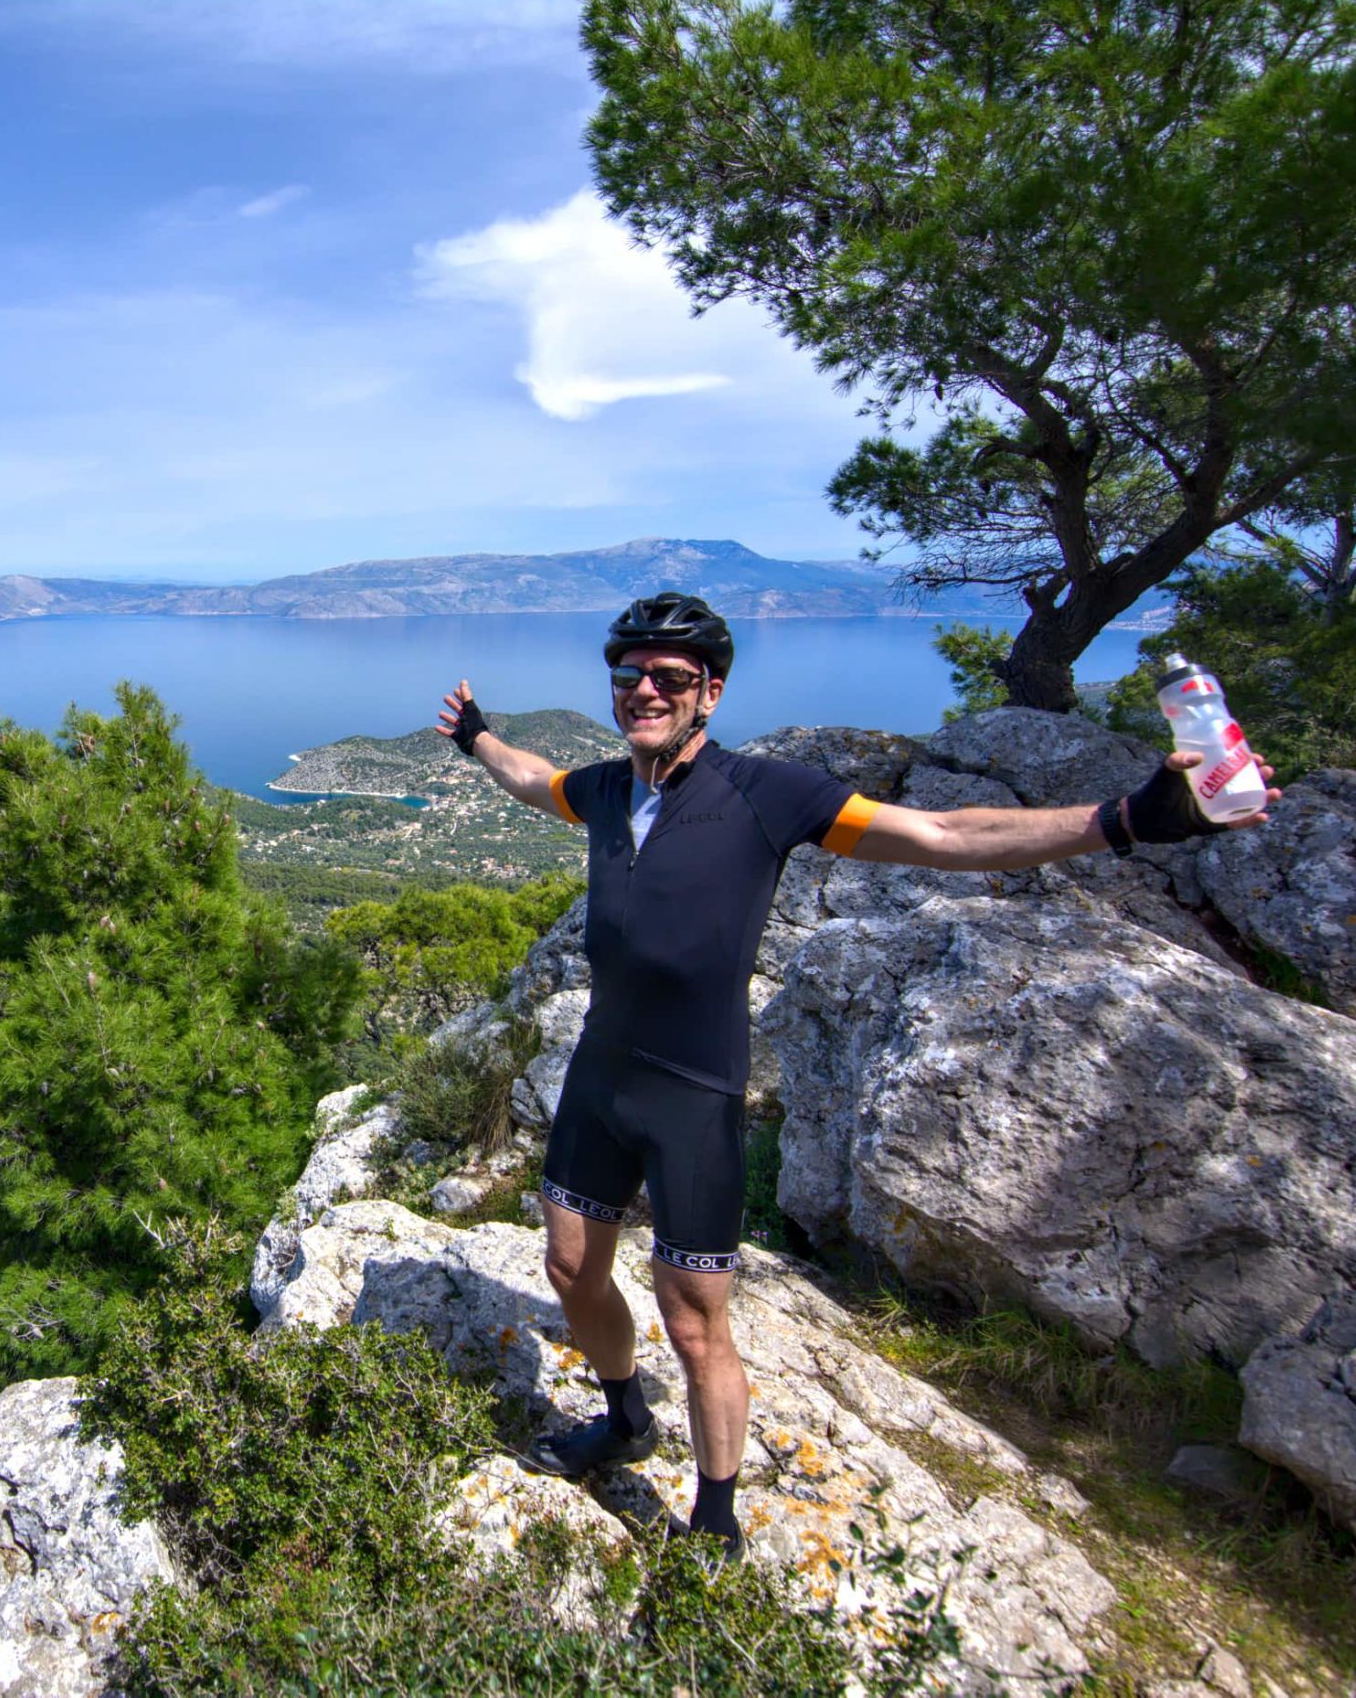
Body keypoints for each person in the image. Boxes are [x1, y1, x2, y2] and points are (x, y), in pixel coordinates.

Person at [436, 592, 1278, 1559]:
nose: (644, 693)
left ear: (710, 693)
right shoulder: (606, 791)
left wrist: (1125, 819)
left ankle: (713, 1518)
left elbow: (944, 836)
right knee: (572, 1269)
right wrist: (478, 737)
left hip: (692, 1089)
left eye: (670, 678)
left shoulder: (767, 794)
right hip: (598, 1075)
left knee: (694, 1318)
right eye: (629, 676)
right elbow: (531, 779)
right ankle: (626, 1417)